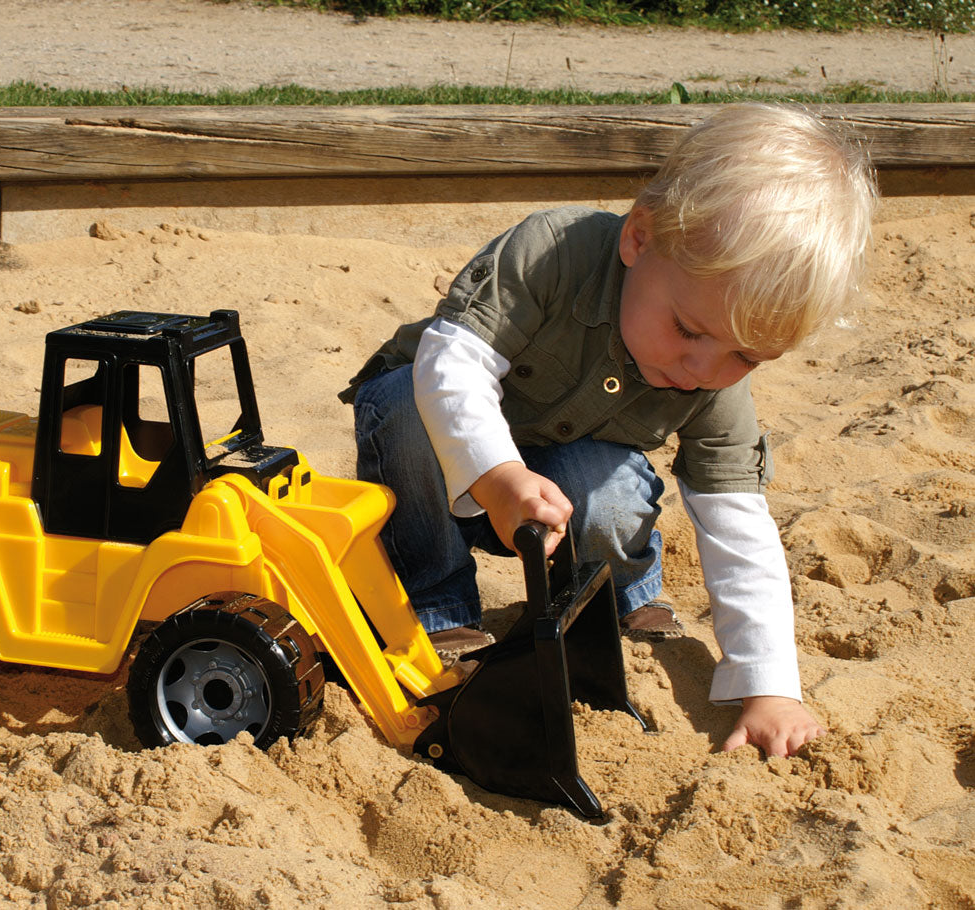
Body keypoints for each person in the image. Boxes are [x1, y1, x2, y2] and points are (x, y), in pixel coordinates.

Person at [340, 104, 876, 758]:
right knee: (403, 401)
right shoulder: (551, 253)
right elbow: (451, 364)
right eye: (687, 330)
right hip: (434, 466)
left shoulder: (714, 375)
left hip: (553, 504)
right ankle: (440, 610)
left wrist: (771, 687)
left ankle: (625, 595)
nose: (701, 370)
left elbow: (738, 521)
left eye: (747, 357)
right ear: (640, 239)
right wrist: (500, 476)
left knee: (616, 487)